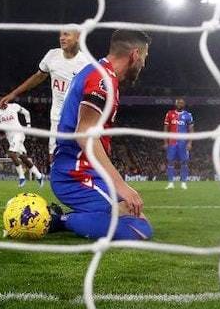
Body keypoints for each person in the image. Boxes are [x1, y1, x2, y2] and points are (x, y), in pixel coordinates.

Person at [49, 30, 153, 241]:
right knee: (139, 229)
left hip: (87, 172)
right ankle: (58, 220)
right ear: (135, 55)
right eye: (144, 57)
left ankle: (82, 217)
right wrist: (122, 186)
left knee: (135, 216)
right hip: (75, 175)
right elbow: (84, 134)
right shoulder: (102, 79)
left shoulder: (100, 73)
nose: (143, 64)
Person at [0, 29, 86, 167]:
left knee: (81, 159)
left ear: (78, 37)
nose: (61, 38)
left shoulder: (87, 63)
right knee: (54, 158)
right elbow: (38, 77)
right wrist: (13, 94)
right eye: (60, 35)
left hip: (79, 118)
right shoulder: (52, 55)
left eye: (66, 34)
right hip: (57, 117)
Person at [0, 101, 43, 187]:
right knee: (23, 158)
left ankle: (21, 177)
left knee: (11, 154)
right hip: (10, 137)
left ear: (5, 100)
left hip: (18, 133)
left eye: (1, 100)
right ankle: (39, 176)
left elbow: (26, 113)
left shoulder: (14, 106)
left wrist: (28, 125)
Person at [164, 98, 194, 190]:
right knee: (170, 161)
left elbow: (191, 130)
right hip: (172, 142)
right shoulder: (169, 114)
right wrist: (165, 142)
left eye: (181, 103)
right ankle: (170, 183)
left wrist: (190, 142)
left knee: (184, 162)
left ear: (184, 104)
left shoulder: (188, 115)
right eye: (178, 103)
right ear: (175, 104)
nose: (180, 104)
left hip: (183, 143)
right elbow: (165, 128)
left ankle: (183, 183)